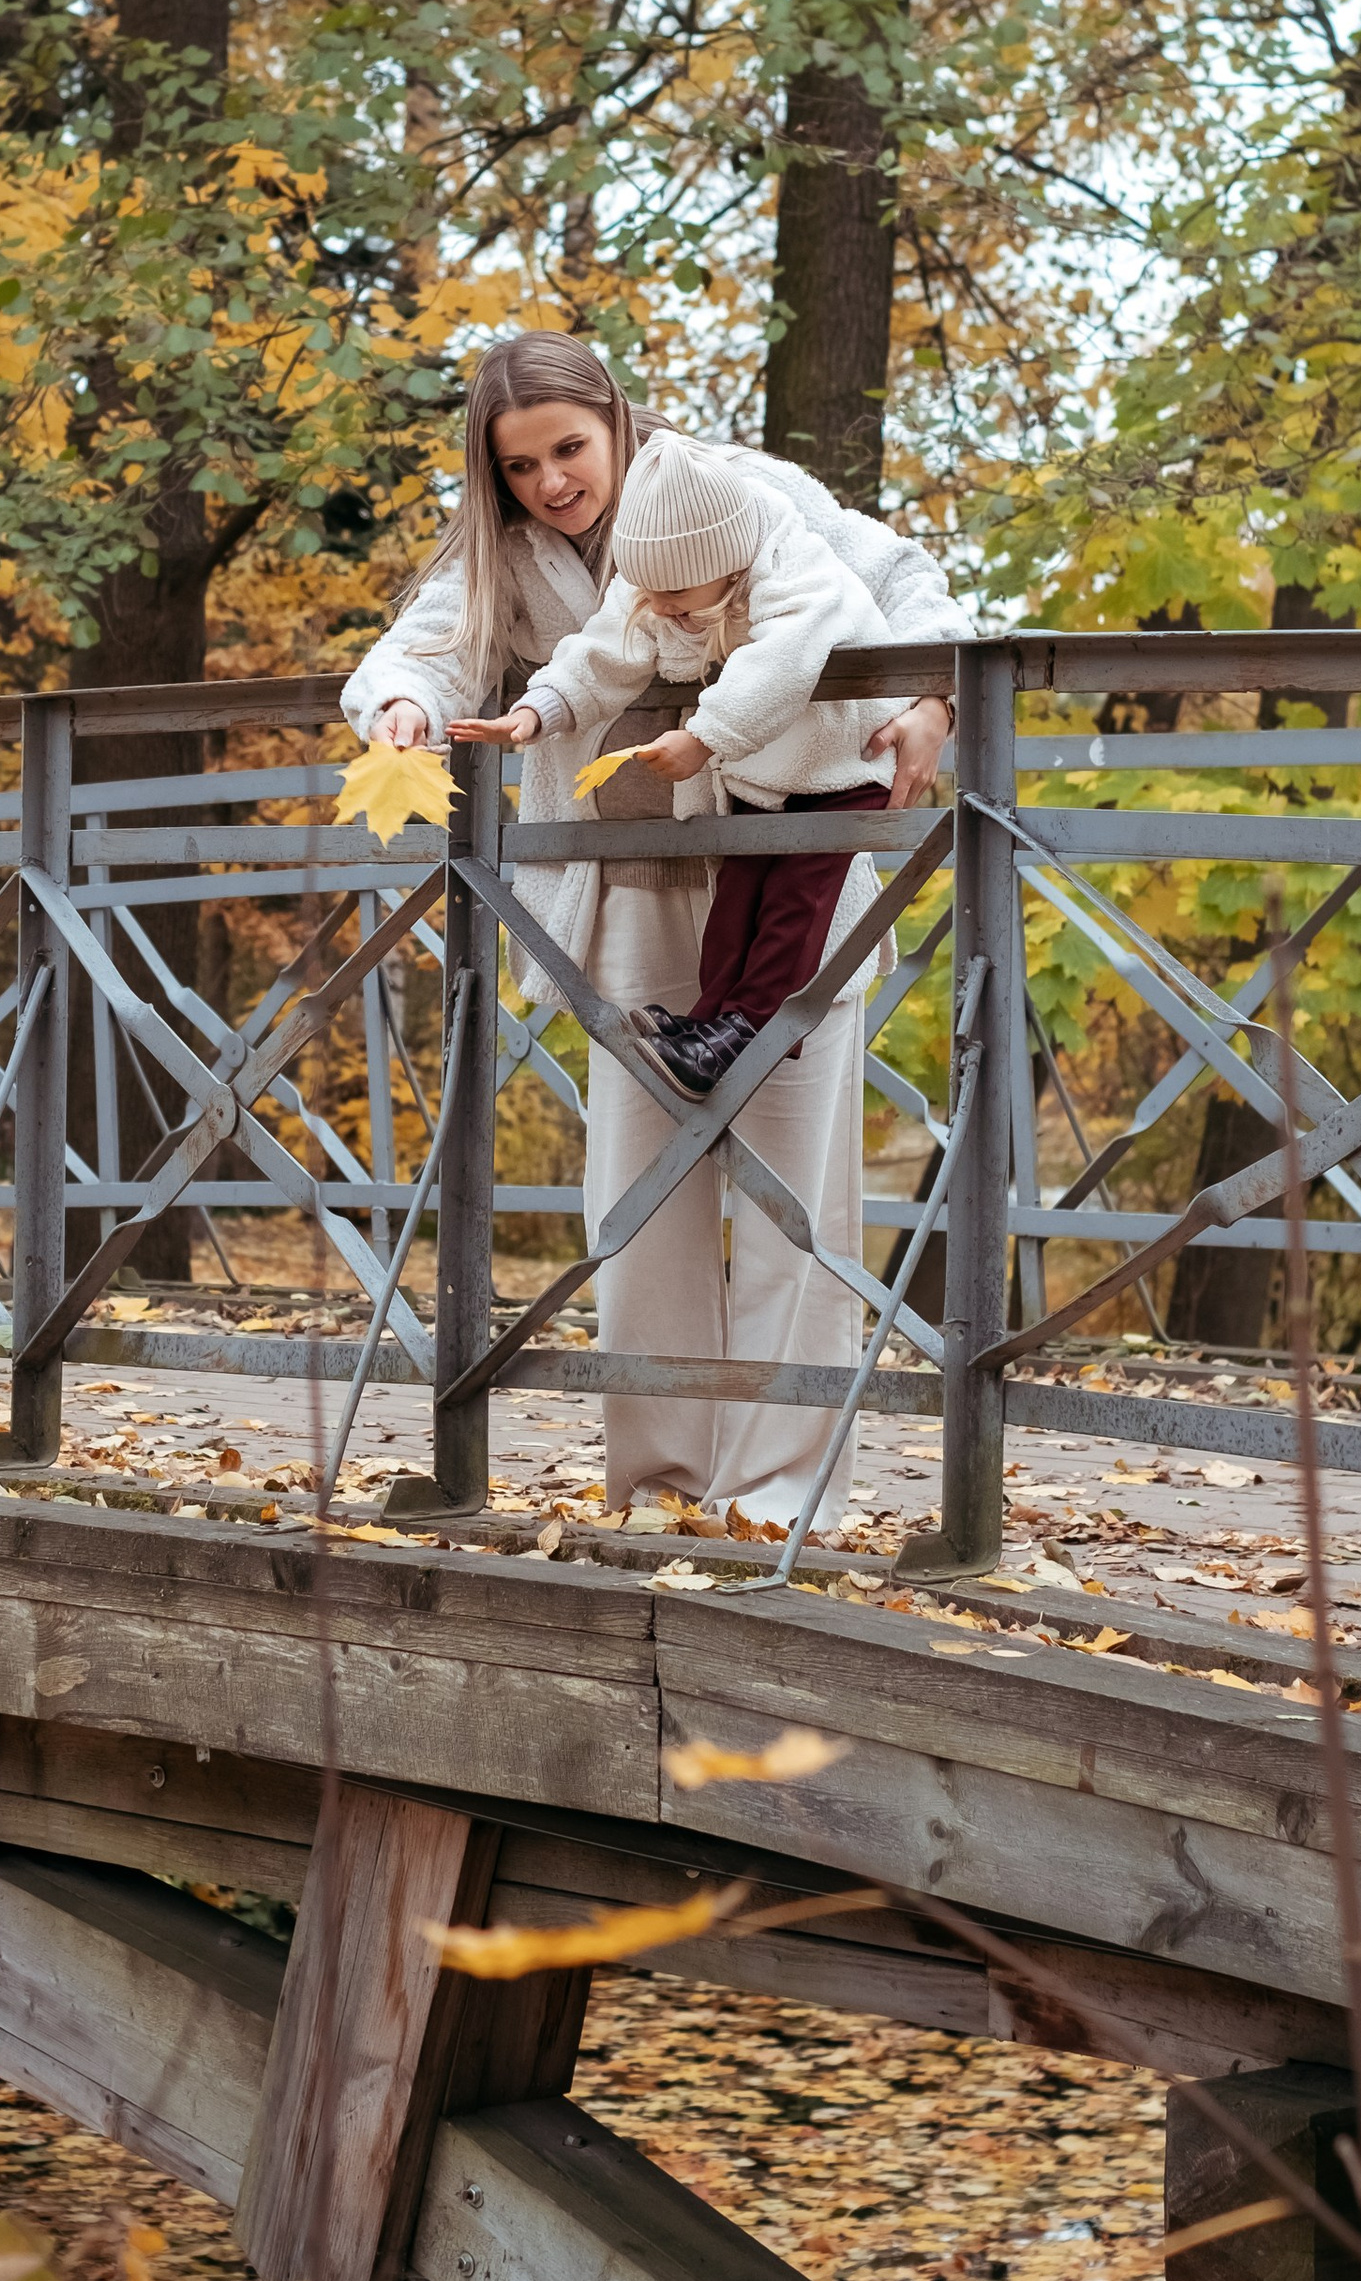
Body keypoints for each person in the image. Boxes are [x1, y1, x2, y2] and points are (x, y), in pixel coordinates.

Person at [341, 333, 966, 1524]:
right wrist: (406, 705)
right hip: (623, 884)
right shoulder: (507, 560)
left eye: (568, 449)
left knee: (793, 1194)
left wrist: (931, 695)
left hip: (787, 874)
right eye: (519, 466)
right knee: (637, 1201)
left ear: (615, 423)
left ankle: (782, 1498)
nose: (551, 483)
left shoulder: (738, 490)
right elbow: (419, 652)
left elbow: (899, 577)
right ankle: (662, 1485)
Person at [454, 436, 908, 1099]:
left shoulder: (798, 570)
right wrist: (537, 711)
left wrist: (702, 737)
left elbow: (781, 662)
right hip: (767, 765)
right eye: (650, 591)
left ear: (726, 565)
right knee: (738, 897)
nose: (661, 606)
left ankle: (752, 1027)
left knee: (794, 903)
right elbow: (605, 650)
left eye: (676, 593)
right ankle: (708, 1026)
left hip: (843, 761)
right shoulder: (661, 581)